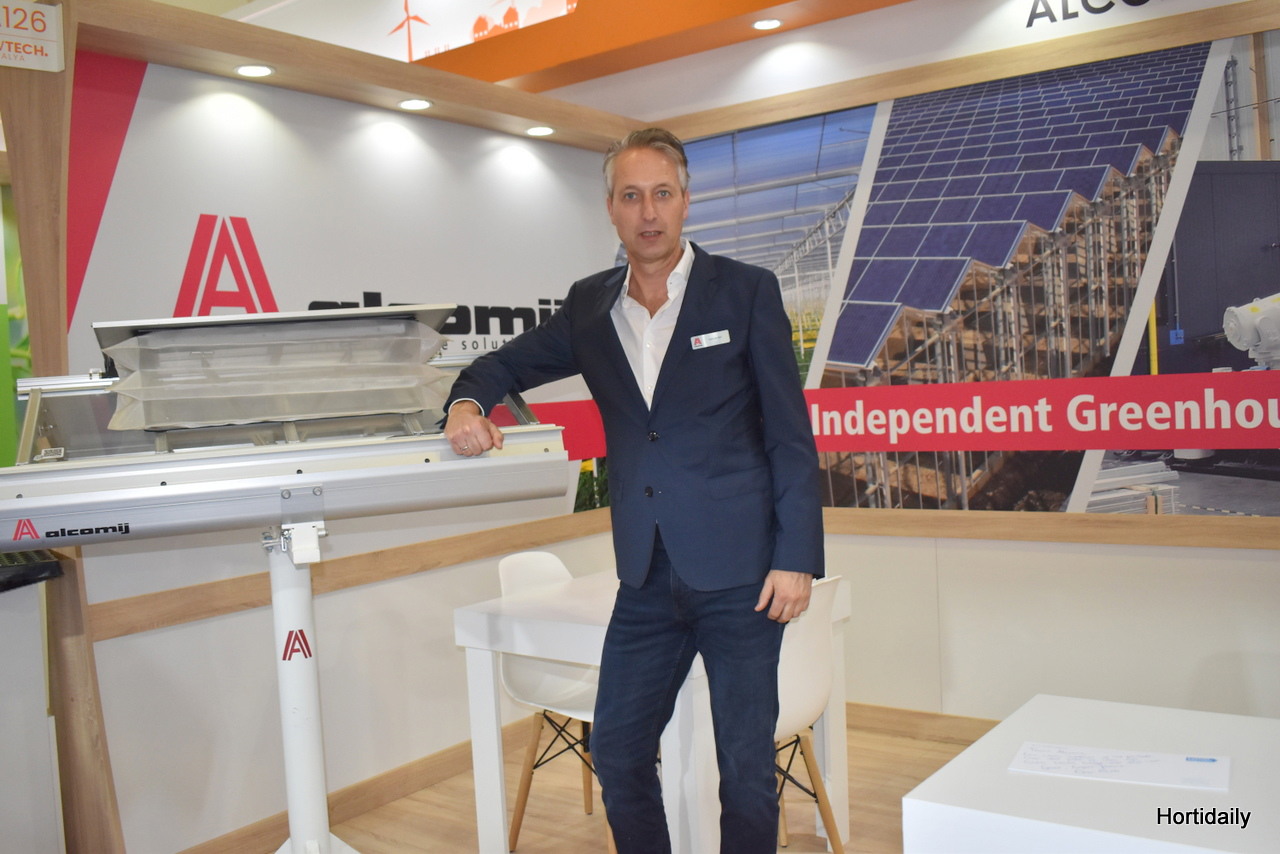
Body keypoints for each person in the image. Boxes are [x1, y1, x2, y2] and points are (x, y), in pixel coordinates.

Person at [443, 127, 824, 853]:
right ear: (611, 210)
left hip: (743, 576)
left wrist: (796, 556)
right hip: (646, 579)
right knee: (617, 753)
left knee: (745, 770)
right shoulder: (589, 307)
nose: (648, 212)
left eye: (662, 194)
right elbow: (501, 367)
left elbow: (788, 435)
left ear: (685, 201)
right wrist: (466, 405)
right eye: (631, 197)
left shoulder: (745, 291)